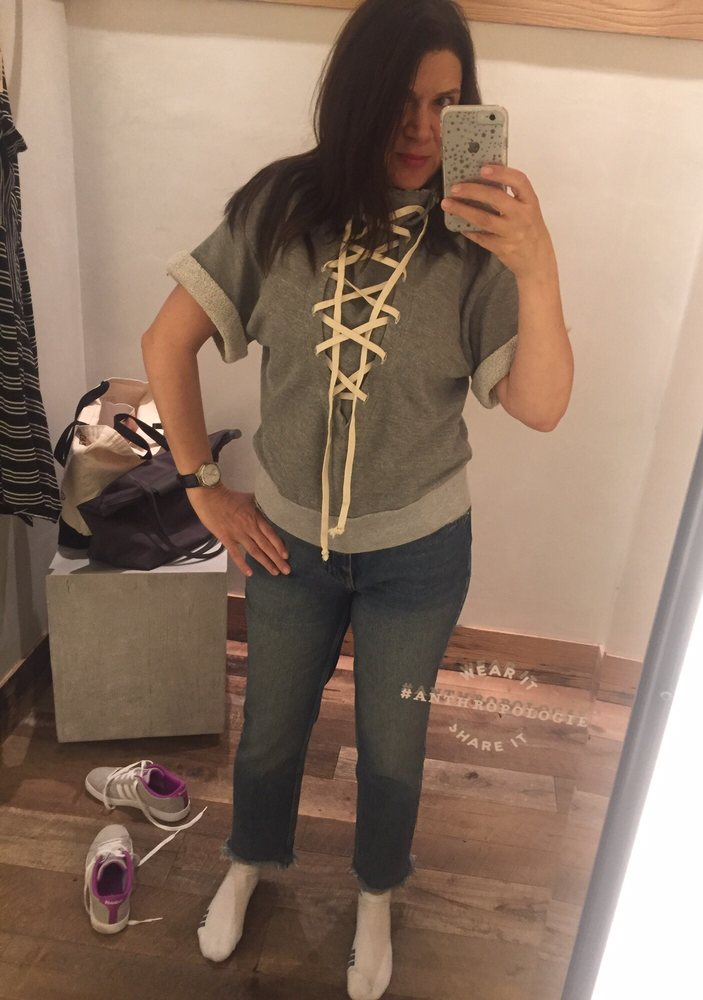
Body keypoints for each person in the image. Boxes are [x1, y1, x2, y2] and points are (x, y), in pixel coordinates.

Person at [141, 0, 572, 995]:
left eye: (448, 103)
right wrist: (205, 492)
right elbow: (167, 342)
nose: (422, 129)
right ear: (355, 97)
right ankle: (250, 861)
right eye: (400, 102)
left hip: (420, 555)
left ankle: (377, 893)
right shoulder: (281, 208)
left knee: (392, 746)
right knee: (270, 728)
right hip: (288, 544)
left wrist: (539, 266)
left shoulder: (477, 235)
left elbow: (542, 405)